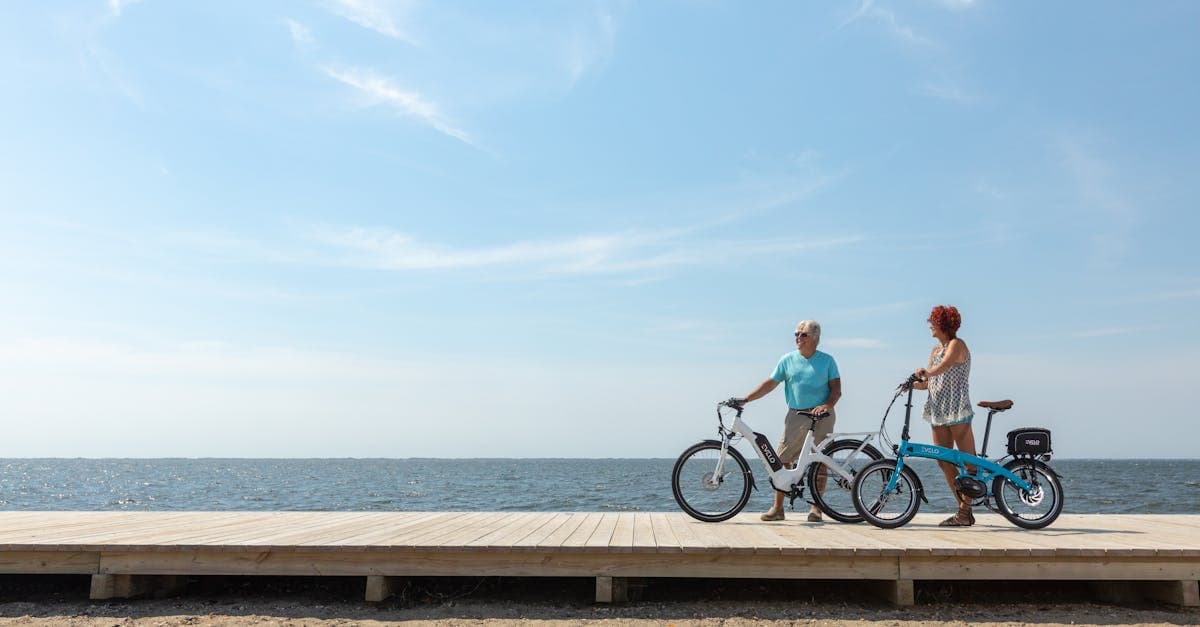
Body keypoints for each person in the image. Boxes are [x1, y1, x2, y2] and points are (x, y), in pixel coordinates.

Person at [738, 320, 841, 522]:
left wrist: (827, 405)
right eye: (796, 334)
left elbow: (836, 390)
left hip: (822, 416)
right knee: (781, 460)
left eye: (803, 335)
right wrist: (747, 399)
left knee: (819, 463)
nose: (798, 338)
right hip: (796, 415)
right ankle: (778, 508)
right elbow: (770, 384)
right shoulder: (787, 360)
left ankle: (816, 509)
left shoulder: (827, 361)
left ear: (815, 338)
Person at [913, 305, 977, 527]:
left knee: (970, 464)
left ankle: (965, 511)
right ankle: (963, 509)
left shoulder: (957, 345)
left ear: (943, 324)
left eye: (933, 321)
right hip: (938, 410)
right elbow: (929, 383)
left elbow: (945, 366)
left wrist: (927, 372)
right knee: (943, 461)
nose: (930, 325)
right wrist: (912, 385)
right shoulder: (934, 350)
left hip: (956, 408)